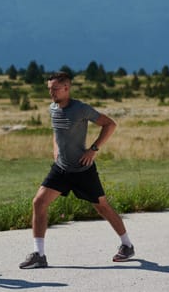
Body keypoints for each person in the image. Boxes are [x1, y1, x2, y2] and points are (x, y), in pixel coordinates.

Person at [19, 72, 135, 269]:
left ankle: (127, 245)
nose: (51, 93)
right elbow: (57, 133)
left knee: (102, 207)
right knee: (39, 202)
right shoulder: (53, 108)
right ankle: (39, 254)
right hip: (61, 169)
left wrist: (93, 149)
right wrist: (56, 151)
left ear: (67, 88)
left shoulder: (80, 109)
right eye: (49, 89)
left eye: (55, 89)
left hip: (83, 170)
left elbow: (110, 124)